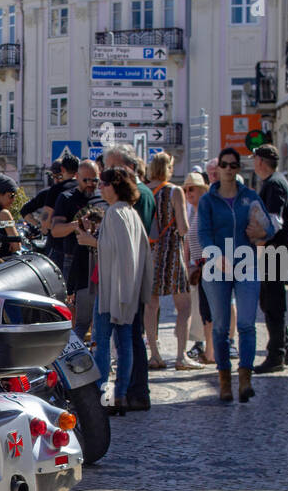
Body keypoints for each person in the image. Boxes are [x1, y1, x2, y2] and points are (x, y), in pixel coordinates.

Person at [73, 166, 154, 415]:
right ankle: (119, 396)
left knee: (101, 341)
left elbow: (115, 251)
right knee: (125, 341)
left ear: (115, 185)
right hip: (127, 289)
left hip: (112, 290)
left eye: (104, 183)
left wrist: (91, 241)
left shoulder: (115, 213)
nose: (100, 187)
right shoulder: (130, 213)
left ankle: (102, 396)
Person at [197, 146, 267, 403]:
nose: (226, 169)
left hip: (247, 264)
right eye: (222, 165)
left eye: (232, 165)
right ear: (217, 170)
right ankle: (224, 381)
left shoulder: (250, 197)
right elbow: (203, 234)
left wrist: (261, 234)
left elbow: (267, 228)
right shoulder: (207, 200)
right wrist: (216, 256)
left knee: (247, 324)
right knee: (221, 327)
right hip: (217, 268)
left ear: (238, 168)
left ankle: (245, 379)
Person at [104, 145, 155, 410]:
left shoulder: (134, 200)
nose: (107, 175)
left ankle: (132, 391)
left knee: (128, 336)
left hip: (127, 277)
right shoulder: (136, 198)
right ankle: (134, 391)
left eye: (112, 169)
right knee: (132, 335)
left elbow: (130, 243)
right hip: (133, 275)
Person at [145, 152, 198, 370]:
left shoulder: (145, 191)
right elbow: (184, 228)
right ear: (168, 168)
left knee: (151, 306)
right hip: (172, 254)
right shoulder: (175, 191)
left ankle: (155, 355)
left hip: (150, 253)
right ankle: (180, 356)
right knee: (184, 306)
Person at [251, 144, 288, 374]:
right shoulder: (276, 182)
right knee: (270, 300)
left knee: (273, 302)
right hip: (275, 250)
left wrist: (258, 242)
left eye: (254, 159)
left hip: (274, 251)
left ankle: (276, 354)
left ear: (260, 161)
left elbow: (274, 221)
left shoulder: (274, 184)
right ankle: (285, 349)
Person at [51, 159, 102, 339]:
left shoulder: (101, 197)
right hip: (71, 257)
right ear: (77, 177)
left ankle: (94, 343)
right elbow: (55, 230)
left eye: (94, 180)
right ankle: (72, 343)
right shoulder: (66, 198)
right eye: (86, 180)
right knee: (72, 305)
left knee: (98, 307)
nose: (90, 184)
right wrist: (77, 224)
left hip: (97, 257)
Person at [182, 170, 212, 364]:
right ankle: (210, 351)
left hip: (209, 265)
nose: (188, 193)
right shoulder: (194, 211)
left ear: (203, 189)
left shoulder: (206, 210)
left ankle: (211, 352)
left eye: (192, 188)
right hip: (200, 267)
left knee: (210, 311)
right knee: (205, 311)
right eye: (185, 190)